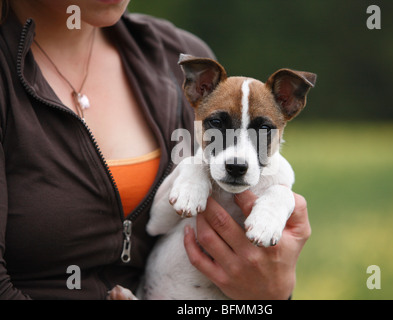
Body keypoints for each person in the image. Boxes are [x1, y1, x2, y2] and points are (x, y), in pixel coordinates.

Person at [0, 0, 311, 300]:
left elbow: (262, 283)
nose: (239, 154)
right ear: (197, 89)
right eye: (220, 126)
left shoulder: (175, 54)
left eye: (261, 131)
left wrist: (274, 294)